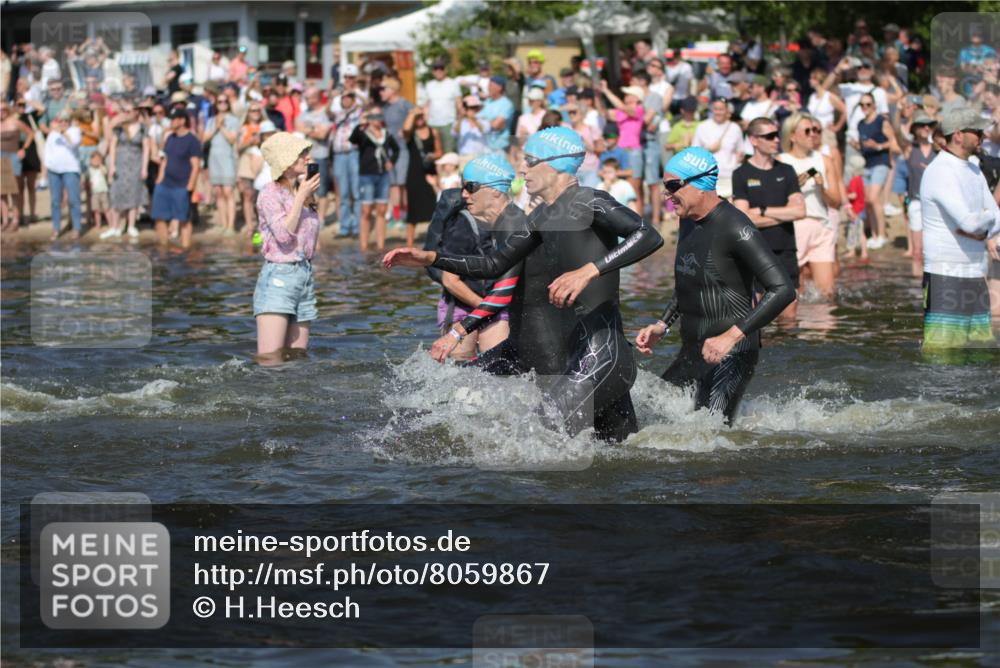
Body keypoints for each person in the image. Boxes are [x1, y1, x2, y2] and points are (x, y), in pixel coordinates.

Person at [384, 126, 664, 442]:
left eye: (530, 161)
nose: (521, 169)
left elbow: (648, 235)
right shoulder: (541, 217)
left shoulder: (590, 201)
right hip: (579, 361)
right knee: (624, 458)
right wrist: (429, 257)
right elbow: (494, 264)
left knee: (539, 437)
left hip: (604, 357)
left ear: (557, 164)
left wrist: (589, 270)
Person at [635, 147, 795, 424]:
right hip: (693, 349)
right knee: (649, 417)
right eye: (665, 187)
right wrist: (662, 325)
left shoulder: (735, 226)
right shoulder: (687, 220)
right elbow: (690, 281)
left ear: (700, 184)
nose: (667, 194)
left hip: (731, 351)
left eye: (673, 186)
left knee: (711, 436)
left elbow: (782, 289)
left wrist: (730, 338)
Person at [919, 108, 1000, 353]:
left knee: (979, 354)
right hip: (945, 275)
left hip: (976, 274)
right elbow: (969, 223)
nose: (983, 135)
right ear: (958, 135)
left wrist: (983, 224)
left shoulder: (974, 170)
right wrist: (984, 222)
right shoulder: (940, 170)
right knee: (942, 357)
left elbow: (992, 216)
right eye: (976, 131)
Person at [423, 155, 517, 362]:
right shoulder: (463, 225)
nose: (464, 194)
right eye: (463, 187)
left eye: (471, 187)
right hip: (461, 307)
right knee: (461, 372)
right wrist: (485, 309)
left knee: (498, 369)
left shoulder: (514, 223)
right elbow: (450, 281)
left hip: (494, 305)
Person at [253, 132, 322, 362]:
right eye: (301, 153)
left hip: (304, 275)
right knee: (271, 359)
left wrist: (305, 194)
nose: (307, 157)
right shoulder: (269, 194)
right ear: (286, 160)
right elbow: (284, 235)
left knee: (298, 357)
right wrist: (301, 196)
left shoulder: (301, 192)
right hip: (279, 277)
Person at [732, 116, 806, 320]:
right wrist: (784, 213)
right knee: (755, 319)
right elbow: (744, 219)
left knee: (789, 319)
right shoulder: (741, 174)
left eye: (777, 135)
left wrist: (762, 211)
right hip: (754, 251)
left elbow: (800, 211)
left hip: (785, 250)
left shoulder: (786, 170)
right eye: (770, 136)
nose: (776, 140)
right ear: (754, 140)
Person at [779, 113, 841, 299]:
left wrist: (822, 187)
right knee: (794, 293)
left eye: (815, 130)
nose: (813, 134)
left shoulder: (824, 160)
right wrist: (794, 188)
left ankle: (822, 326)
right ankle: (797, 327)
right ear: (792, 135)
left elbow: (836, 202)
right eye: (807, 130)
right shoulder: (781, 162)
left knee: (826, 293)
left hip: (821, 226)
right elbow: (775, 202)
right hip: (794, 227)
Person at [350, 105, 400, 251]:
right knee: (366, 210)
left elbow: (396, 149)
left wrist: (392, 161)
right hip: (367, 175)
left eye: (379, 116)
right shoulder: (363, 133)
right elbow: (353, 139)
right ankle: (363, 246)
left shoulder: (386, 133)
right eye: (374, 116)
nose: (377, 120)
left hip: (383, 175)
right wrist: (361, 123)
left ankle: (380, 245)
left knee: (382, 210)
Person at [853, 92, 899, 248]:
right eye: (862, 105)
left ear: (874, 105)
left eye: (868, 104)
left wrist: (878, 146)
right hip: (868, 163)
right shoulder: (860, 124)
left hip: (881, 162)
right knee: (867, 200)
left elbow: (893, 143)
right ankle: (873, 234)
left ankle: (882, 235)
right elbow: (863, 145)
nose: (865, 107)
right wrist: (857, 146)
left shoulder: (881, 121)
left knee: (873, 198)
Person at [152, 109, 202, 249]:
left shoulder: (192, 140)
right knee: (159, 217)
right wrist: (159, 180)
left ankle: (186, 248)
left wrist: (190, 186)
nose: (171, 122)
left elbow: (195, 165)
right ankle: (164, 245)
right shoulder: (170, 137)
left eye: (174, 119)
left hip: (182, 186)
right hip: (164, 184)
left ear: (182, 120)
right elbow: (165, 160)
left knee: (184, 219)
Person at [600, 81, 645, 216]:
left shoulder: (638, 110)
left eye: (628, 94)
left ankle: (641, 223)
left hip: (633, 152)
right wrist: (598, 94)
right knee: (625, 189)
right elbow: (604, 112)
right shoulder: (622, 112)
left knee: (635, 189)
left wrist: (606, 91)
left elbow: (622, 107)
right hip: (622, 152)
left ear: (636, 98)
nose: (625, 95)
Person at [106, 103, 149, 239]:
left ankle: (131, 225)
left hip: (136, 163)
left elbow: (146, 149)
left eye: (129, 111)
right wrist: (112, 165)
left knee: (134, 193)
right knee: (117, 193)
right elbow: (112, 146)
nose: (127, 113)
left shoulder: (143, 128)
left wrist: (144, 167)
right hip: (121, 162)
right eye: (125, 111)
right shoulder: (119, 128)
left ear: (136, 112)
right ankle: (115, 226)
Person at [903, 111, 938, 275]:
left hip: (936, 203)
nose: (926, 128)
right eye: (922, 125)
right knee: (917, 251)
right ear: (914, 128)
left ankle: (933, 285)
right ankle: (917, 289)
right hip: (916, 201)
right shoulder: (910, 148)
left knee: (934, 250)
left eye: (929, 125)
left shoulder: (938, 148)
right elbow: (896, 133)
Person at [402, 108, 441, 244]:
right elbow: (405, 129)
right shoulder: (410, 133)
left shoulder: (433, 131)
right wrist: (412, 113)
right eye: (416, 117)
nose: (419, 119)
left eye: (421, 116)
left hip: (429, 172)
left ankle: (436, 240)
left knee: (434, 207)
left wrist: (433, 156)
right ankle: (409, 243)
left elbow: (439, 151)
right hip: (414, 173)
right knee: (413, 210)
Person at [692, 98, 744, 199]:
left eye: (721, 109)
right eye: (716, 109)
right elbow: (694, 153)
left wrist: (734, 165)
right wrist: (708, 149)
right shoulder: (702, 126)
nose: (718, 112)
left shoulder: (735, 128)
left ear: (727, 111)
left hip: (729, 177)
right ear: (712, 110)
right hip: (709, 177)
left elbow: (740, 151)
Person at [295, 86, 333, 224]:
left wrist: (307, 129)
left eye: (310, 97)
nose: (307, 100)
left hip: (321, 155)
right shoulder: (303, 114)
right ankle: (310, 216)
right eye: (306, 98)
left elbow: (323, 134)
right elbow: (297, 127)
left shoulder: (325, 113)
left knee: (321, 189)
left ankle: (321, 219)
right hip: (306, 157)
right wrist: (314, 129)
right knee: (307, 188)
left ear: (317, 97)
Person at [203, 95, 240, 234]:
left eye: (225, 101)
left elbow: (232, 139)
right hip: (214, 159)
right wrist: (215, 127)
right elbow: (205, 138)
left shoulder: (234, 120)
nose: (222, 104)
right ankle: (223, 224)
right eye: (220, 101)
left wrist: (222, 127)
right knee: (218, 192)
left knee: (228, 192)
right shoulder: (211, 120)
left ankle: (231, 226)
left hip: (227, 158)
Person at [379, 78, 413, 224]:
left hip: (403, 148)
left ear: (392, 90)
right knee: (393, 183)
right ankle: (396, 215)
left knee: (402, 183)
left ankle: (406, 214)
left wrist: (407, 129)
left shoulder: (404, 103)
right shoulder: (385, 107)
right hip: (389, 150)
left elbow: (418, 111)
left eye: (383, 89)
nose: (381, 92)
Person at [44, 113, 83, 240]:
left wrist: (64, 133)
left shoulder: (75, 130)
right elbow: (47, 152)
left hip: (70, 169)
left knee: (73, 200)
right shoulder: (52, 134)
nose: (63, 123)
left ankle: (76, 228)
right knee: (55, 201)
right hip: (54, 170)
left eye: (66, 120)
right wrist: (47, 168)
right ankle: (56, 228)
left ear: (70, 121)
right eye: (61, 120)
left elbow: (74, 144)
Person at [331, 90, 363, 237]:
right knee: (343, 193)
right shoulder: (337, 114)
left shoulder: (359, 113)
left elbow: (367, 104)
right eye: (344, 98)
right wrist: (333, 93)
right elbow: (327, 110)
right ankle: (344, 228)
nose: (346, 100)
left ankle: (357, 228)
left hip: (354, 154)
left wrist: (355, 90)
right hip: (339, 155)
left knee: (356, 192)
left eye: (349, 98)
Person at [0, 99, 34, 230]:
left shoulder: (15, 122)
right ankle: (4, 221)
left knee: (14, 190)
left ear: (7, 110)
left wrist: (23, 149)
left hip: (13, 157)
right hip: (0, 158)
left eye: (3, 109)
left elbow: (30, 133)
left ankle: (15, 219)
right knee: (1, 193)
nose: (1, 112)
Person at [421, 57, 461, 155]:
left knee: (449, 152)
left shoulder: (453, 83)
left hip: (448, 123)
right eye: (436, 68)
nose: (438, 71)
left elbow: (459, 104)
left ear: (445, 70)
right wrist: (425, 121)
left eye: (441, 68)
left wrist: (458, 122)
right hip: (432, 123)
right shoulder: (429, 85)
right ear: (432, 71)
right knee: (435, 152)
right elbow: (427, 104)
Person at [237, 103, 266, 235]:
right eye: (252, 110)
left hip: (262, 160)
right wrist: (250, 141)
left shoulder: (266, 125)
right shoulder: (244, 128)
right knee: (248, 195)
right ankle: (250, 226)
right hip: (246, 160)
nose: (255, 113)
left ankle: (261, 224)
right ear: (247, 113)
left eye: (257, 110)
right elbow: (238, 148)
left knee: (261, 196)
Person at [842, 154, 869, 261]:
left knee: (855, 230)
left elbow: (854, 195)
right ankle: (863, 252)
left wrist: (844, 195)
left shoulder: (854, 180)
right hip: (861, 209)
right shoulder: (860, 179)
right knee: (859, 231)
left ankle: (854, 251)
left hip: (856, 210)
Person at [479, 76, 515, 155]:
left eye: (491, 85)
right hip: (486, 146)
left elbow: (496, 125)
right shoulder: (487, 102)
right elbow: (477, 118)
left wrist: (483, 121)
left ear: (499, 87)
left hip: (500, 147)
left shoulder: (506, 104)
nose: (488, 88)